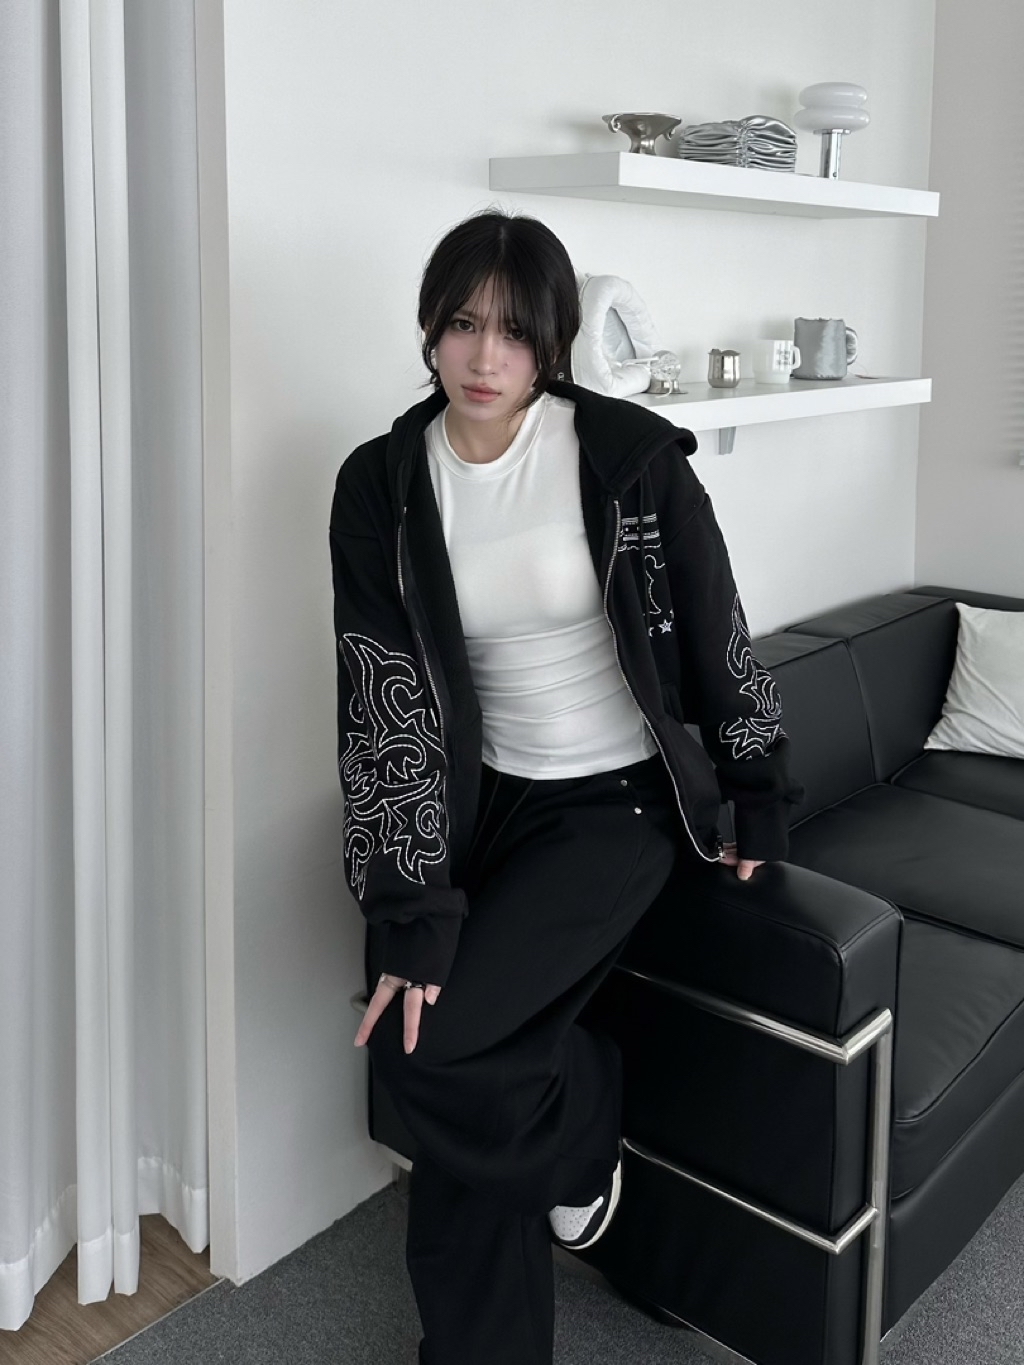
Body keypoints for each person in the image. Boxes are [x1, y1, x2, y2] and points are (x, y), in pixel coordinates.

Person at [329, 207, 803, 1365]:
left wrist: (756, 789)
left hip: (614, 804)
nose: (484, 357)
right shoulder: (382, 485)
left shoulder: (622, 458)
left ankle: (583, 1125)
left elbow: (716, 630)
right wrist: (412, 907)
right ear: (430, 329)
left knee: (427, 1053)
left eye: (514, 331)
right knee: (457, 1054)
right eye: (462, 324)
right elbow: (381, 697)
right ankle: (560, 1169)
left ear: (552, 342)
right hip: (481, 807)